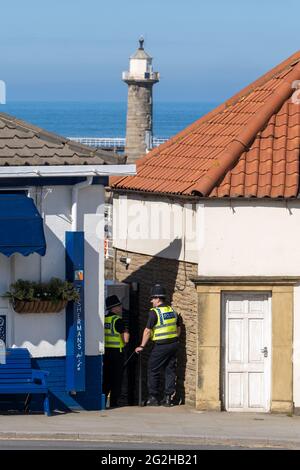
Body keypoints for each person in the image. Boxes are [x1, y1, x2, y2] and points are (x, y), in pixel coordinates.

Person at [135, 284, 181, 407]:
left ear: (158, 299)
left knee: (152, 369)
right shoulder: (173, 311)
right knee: (169, 370)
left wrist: (142, 346)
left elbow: (147, 331)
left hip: (161, 346)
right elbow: (178, 328)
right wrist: (175, 339)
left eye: (152, 299)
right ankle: (168, 398)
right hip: (173, 344)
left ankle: (153, 398)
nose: (151, 301)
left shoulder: (154, 313)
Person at [103, 294, 129, 408]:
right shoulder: (118, 320)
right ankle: (114, 404)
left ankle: (102, 403)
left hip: (105, 353)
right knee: (117, 380)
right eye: (119, 306)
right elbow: (126, 340)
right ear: (114, 308)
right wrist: (127, 331)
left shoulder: (104, 320)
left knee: (106, 379)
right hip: (117, 354)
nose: (120, 308)